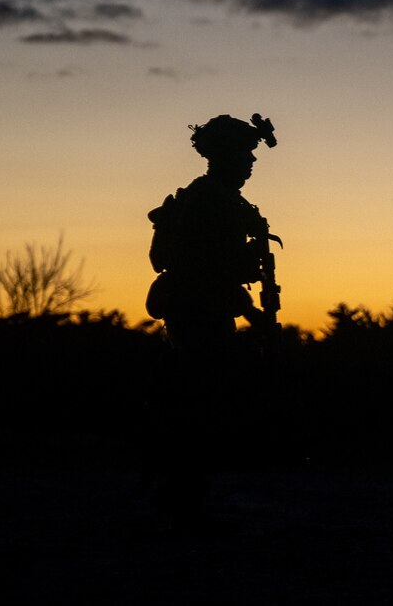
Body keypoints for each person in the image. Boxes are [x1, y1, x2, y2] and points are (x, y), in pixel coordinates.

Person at [142, 112, 278, 529]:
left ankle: (185, 492)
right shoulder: (208, 200)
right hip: (197, 311)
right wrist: (245, 287)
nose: (251, 162)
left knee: (204, 398)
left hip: (206, 308)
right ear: (223, 155)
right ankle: (181, 495)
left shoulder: (218, 197)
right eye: (245, 153)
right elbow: (201, 265)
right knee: (201, 399)